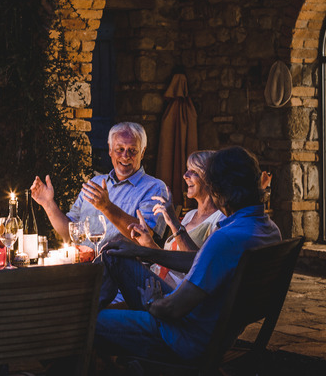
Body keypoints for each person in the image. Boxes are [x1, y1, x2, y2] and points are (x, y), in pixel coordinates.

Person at [94, 146, 282, 361]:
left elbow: (172, 309)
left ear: (218, 190)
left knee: (85, 321)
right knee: (114, 254)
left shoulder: (227, 238)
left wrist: (152, 303)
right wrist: (142, 251)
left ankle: (68, 329)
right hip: (215, 333)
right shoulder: (267, 229)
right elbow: (200, 260)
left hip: (184, 337)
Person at [105, 150, 224, 306]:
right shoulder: (191, 215)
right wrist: (148, 242)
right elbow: (169, 259)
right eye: (187, 170)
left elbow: (200, 266)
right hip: (154, 280)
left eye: (193, 172)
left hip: (173, 297)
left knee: (113, 255)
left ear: (210, 179)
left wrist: (174, 223)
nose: (185, 175)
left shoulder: (220, 219)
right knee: (112, 250)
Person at [30, 122, 167, 248]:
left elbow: (145, 237)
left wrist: (107, 207)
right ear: (110, 150)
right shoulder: (95, 183)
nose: (125, 156)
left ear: (142, 153)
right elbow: (69, 233)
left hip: (120, 270)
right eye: (119, 149)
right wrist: (48, 204)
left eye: (132, 150)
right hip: (84, 265)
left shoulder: (154, 188)